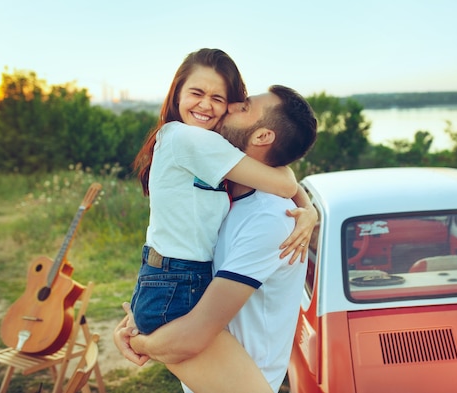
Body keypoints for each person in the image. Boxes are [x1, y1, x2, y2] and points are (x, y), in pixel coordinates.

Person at [126, 48, 316, 392]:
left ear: (261, 137)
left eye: (236, 104)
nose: (223, 107)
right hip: (175, 293)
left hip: (245, 372)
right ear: (178, 93)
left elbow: (192, 335)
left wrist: (139, 340)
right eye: (196, 93)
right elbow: (283, 180)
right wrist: (308, 207)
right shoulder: (212, 170)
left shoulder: (266, 217)